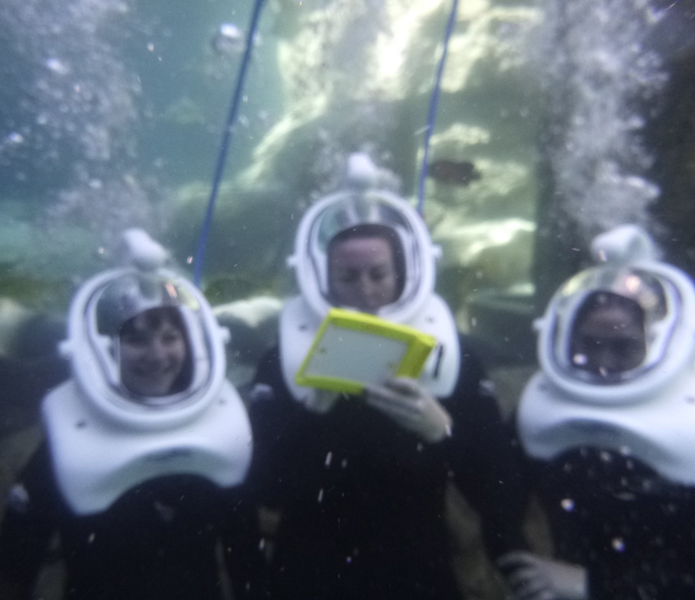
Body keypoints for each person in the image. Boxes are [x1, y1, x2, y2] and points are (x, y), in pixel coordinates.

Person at [244, 154, 527, 599]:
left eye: (379, 274)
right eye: (348, 277)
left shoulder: (454, 356)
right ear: (322, 278)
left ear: (404, 273)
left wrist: (443, 430)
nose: (366, 292)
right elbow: (265, 488)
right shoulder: (284, 360)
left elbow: (500, 492)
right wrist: (314, 410)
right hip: (309, 578)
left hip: (416, 573)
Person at [0, 229, 254, 600]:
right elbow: (10, 576)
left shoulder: (221, 429)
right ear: (105, 348)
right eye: (137, 339)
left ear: (191, 344)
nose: (158, 357)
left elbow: (248, 563)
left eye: (170, 338)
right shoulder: (68, 442)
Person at [504, 225, 695, 600]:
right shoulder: (540, 407)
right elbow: (495, 497)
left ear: (663, 345)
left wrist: (593, 585)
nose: (602, 364)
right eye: (589, 345)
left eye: (624, 349)